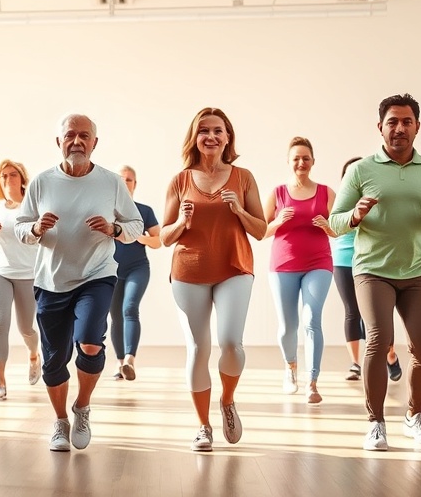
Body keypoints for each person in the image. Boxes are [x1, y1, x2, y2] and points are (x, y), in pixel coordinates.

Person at [328, 93, 421, 451]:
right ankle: (375, 423)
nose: (399, 128)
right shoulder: (361, 170)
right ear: (380, 127)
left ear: (417, 127)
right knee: (378, 338)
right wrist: (355, 215)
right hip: (372, 270)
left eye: (406, 122)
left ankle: (414, 415)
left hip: (417, 271)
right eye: (392, 122)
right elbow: (335, 221)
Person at [15, 113, 143, 452]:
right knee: (54, 359)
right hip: (51, 280)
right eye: (70, 135)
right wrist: (36, 229)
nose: (76, 141)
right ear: (59, 142)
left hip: (96, 275)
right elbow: (20, 227)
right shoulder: (42, 182)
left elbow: (135, 225)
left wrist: (114, 230)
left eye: (84, 135)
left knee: (89, 342)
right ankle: (60, 420)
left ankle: (82, 406)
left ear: (94, 142)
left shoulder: (111, 182)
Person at [160, 107, 267, 452]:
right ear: (195, 138)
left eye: (218, 130)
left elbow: (262, 230)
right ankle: (203, 426)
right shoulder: (180, 180)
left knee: (232, 343)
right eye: (204, 130)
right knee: (198, 348)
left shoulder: (244, 177)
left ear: (227, 137)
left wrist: (239, 210)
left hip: (234, 267)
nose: (211, 136)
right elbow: (165, 236)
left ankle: (228, 400)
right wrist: (183, 223)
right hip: (189, 271)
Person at [262, 137, 334, 404]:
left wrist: (328, 226)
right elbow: (260, 231)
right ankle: (290, 367)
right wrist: (278, 222)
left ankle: (312, 382)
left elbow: (339, 230)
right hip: (283, 266)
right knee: (288, 325)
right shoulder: (278, 193)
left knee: (312, 319)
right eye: (296, 158)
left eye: (306, 158)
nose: (301, 162)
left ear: (313, 161)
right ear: (289, 162)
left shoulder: (327, 193)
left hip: (319, 263)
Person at [333, 158, 402, 383]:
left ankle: (389, 354)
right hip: (344, 259)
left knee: (377, 314)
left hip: (373, 260)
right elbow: (333, 225)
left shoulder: (375, 195)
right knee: (352, 311)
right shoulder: (340, 201)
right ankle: (355, 363)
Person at [0, 159, 40, 400]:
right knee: (0, 322)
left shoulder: (31, 206)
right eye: (3, 176)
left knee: (26, 327)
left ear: (22, 178)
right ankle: (0, 381)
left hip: (27, 273)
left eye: (12, 175)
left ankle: (33, 355)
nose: (8, 180)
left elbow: (41, 236)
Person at [109, 165, 160, 381]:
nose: (125, 183)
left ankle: (130, 359)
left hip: (137, 269)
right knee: (115, 316)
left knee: (130, 308)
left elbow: (158, 241)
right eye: (121, 180)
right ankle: (120, 364)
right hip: (111, 269)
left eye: (129, 180)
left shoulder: (144, 211)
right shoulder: (108, 211)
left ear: (135, 184)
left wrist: (139, 237)